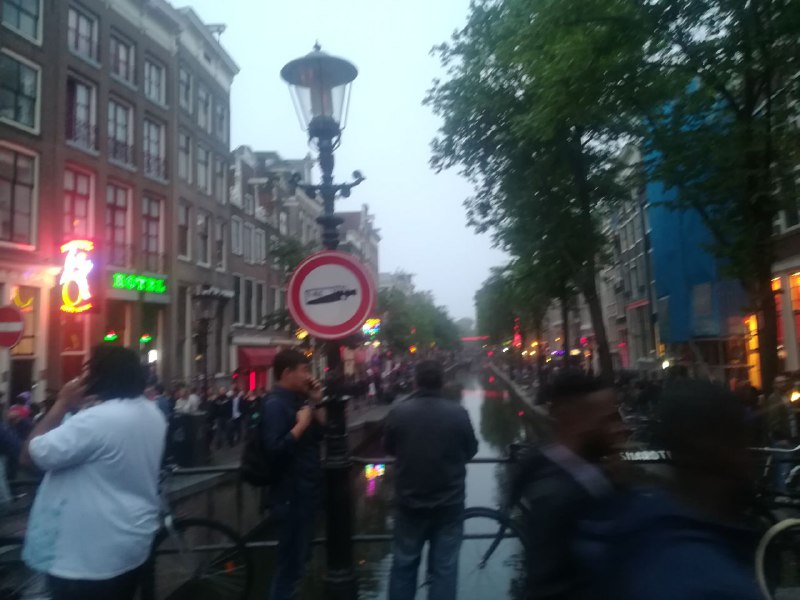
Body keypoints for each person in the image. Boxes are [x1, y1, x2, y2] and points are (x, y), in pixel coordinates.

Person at [20, 346, 166, 600]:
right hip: (131, 545)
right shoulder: (152, 413)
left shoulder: (96, 421)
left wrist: (62, 404)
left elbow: (29, 457)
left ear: (97, 377)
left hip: (86, 558)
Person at [593, 380, 761, 599]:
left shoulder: (643, 528)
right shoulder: (712, 585)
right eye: (743, 443)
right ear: (722, 449)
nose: (750, 459)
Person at [509, 370, 626, 600]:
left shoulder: (572, 474)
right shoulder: (559, 496)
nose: (619, 428)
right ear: (577, 420)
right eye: (608, 419)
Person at [384, 360, 478, 600]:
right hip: (449, 504)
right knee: (444, 569)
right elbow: (471, 450)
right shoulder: (458, 413)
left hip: (409, 502)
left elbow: (389, 448)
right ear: (442, 382)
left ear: (415, 382)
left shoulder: (399, 412)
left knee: (404, 565)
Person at [262, 349, 325, 600]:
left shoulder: (300, 401)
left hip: (304, 492)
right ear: (287, 373)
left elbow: (320, 435)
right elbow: (274, 450)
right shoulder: (274, 405)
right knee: (289, 565)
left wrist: (317, 401)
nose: (308, 375)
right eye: (304, 370)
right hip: (289, 496)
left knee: (299, 562)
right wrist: (300, 425)